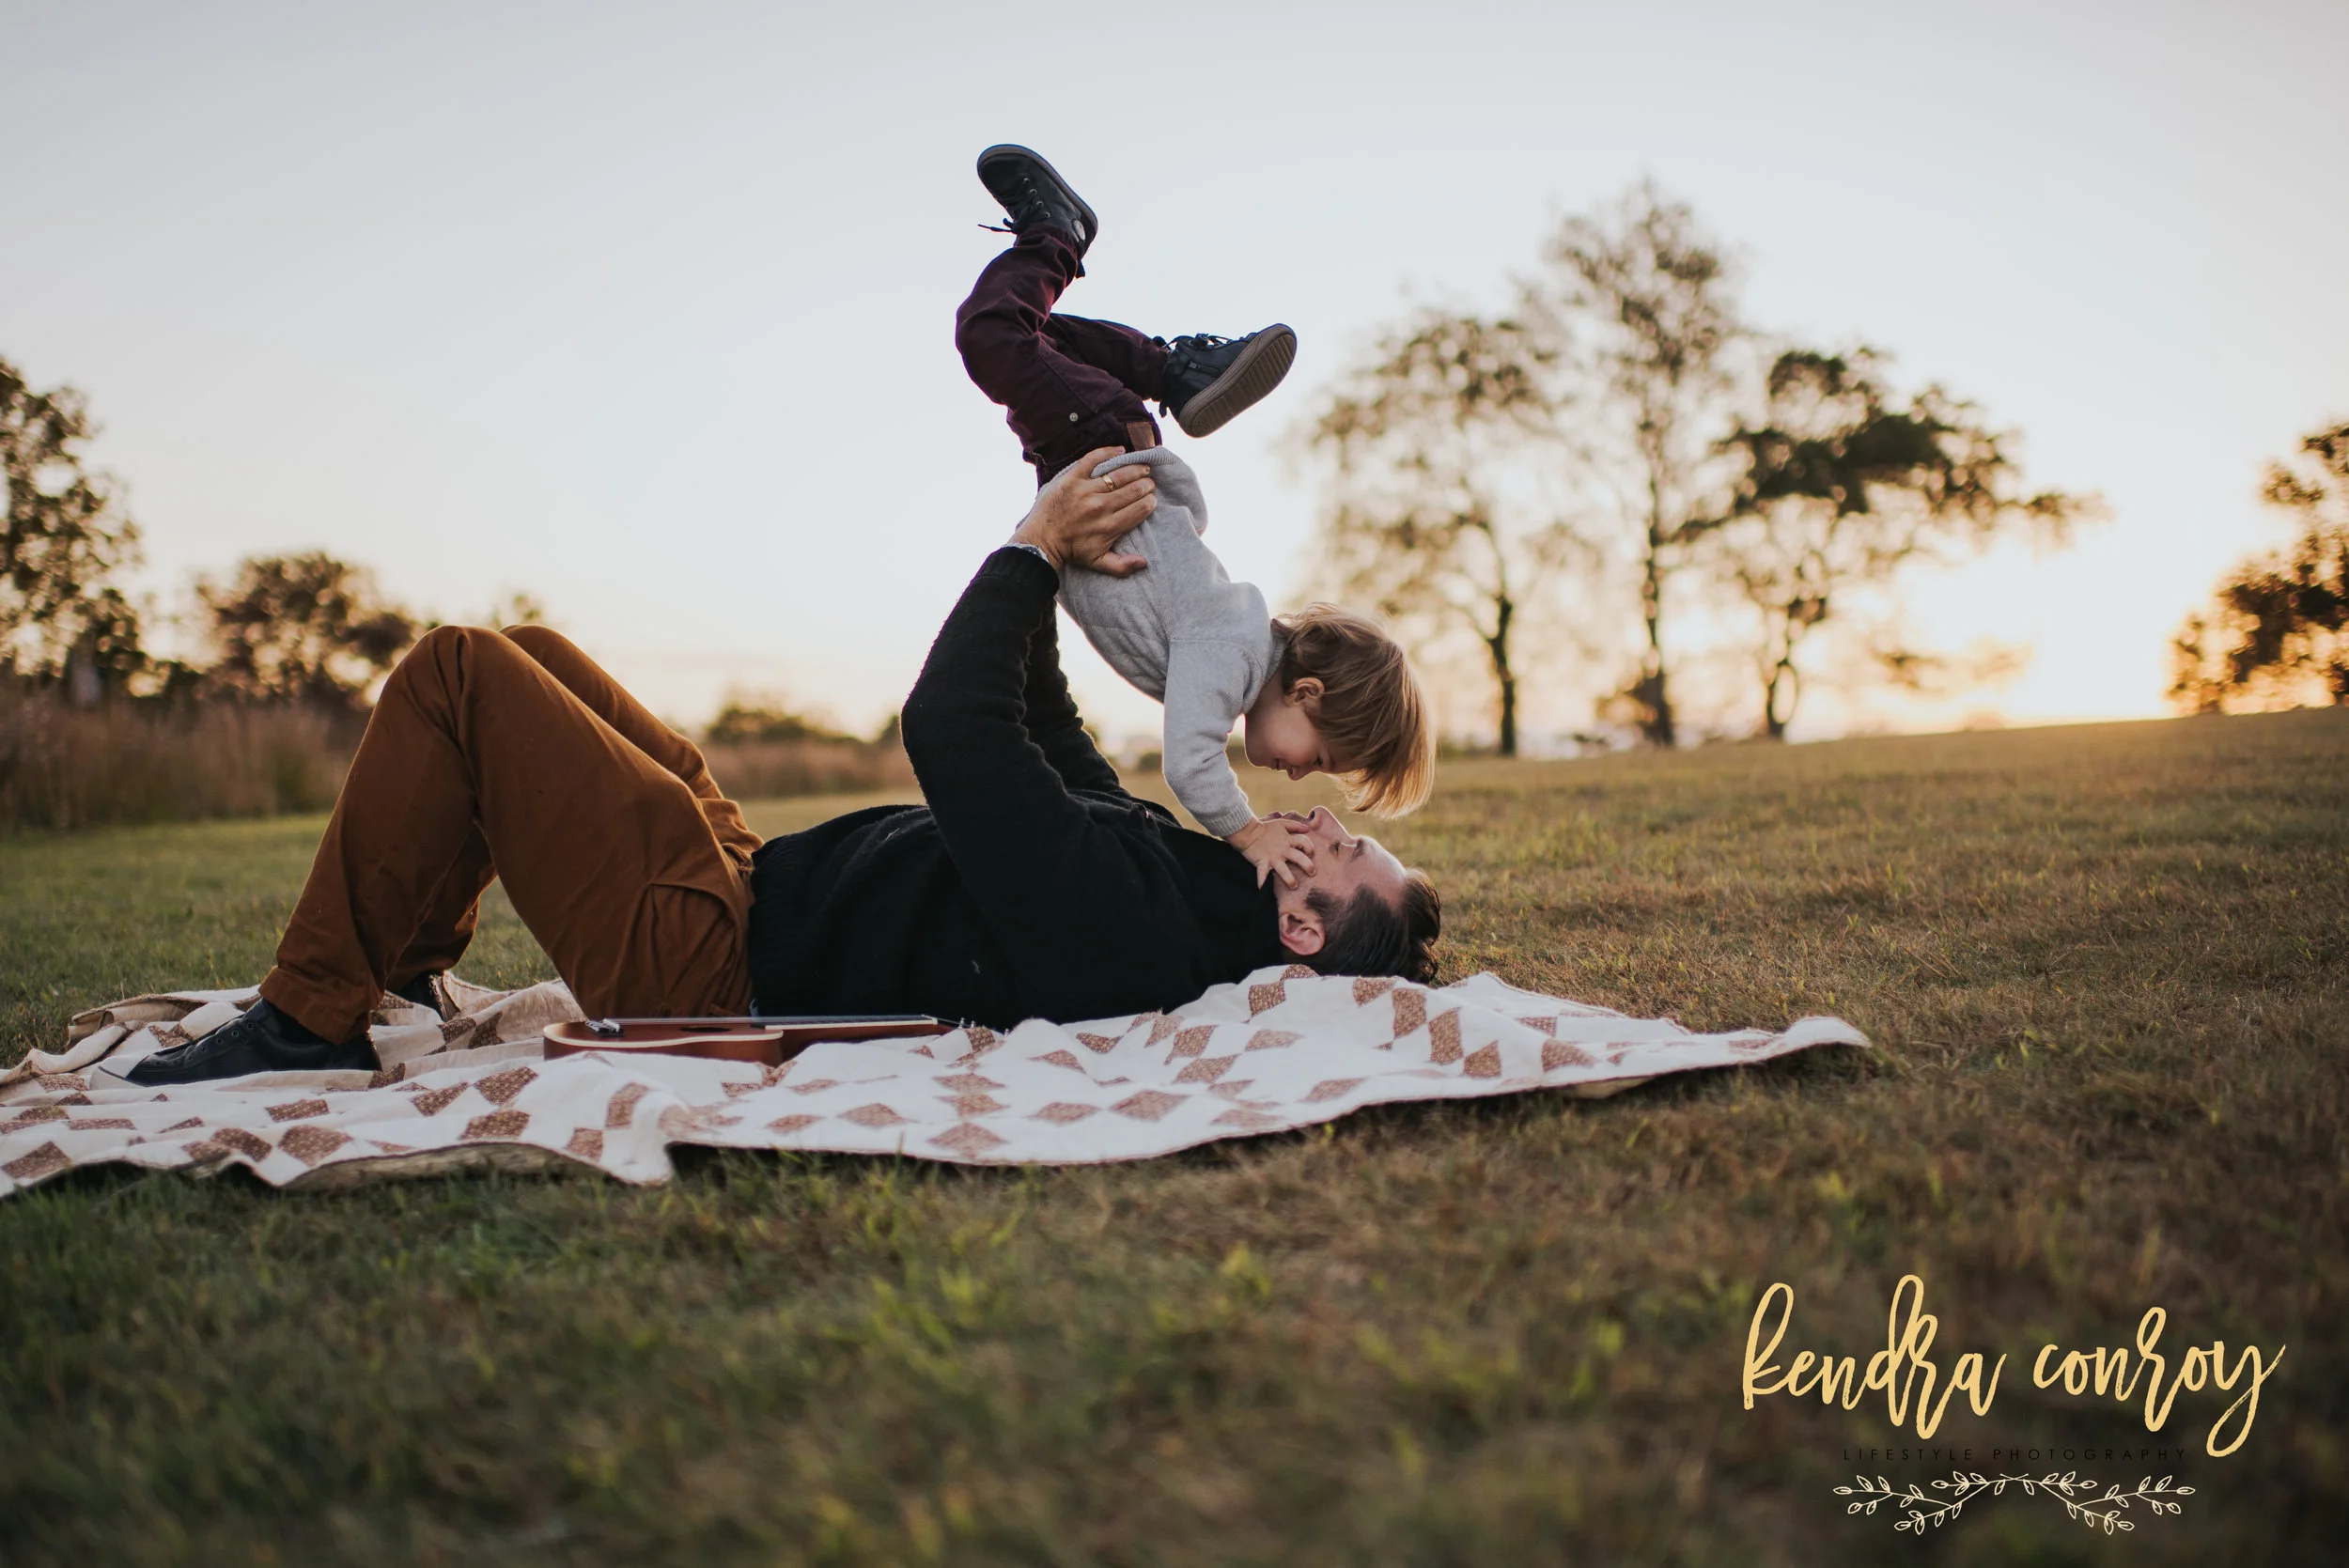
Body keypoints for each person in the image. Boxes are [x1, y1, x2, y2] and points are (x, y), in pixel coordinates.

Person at [124, 460, 1441, 1086]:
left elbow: (953, 729)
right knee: (528, 656)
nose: (1316, 819)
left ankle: (305, 1017)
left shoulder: (1134, 923)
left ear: (1301, 922)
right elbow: (1046, 737)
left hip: (703, 964)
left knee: (461, 675)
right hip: (748, 882)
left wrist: (1029, 551)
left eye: (1336, 851)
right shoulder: (1173, 877)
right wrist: (1079, 555)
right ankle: (397, 952)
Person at [955, 145, 1435, 891]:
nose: (1301, 776)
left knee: (1049, 339)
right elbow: (1188, 762)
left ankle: (1172, 370)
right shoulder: (1233, 655)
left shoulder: (1235, 648)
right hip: (1094, 443)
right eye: (1320, 758)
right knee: (992, 334)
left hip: (1097, 444)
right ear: (1308, 694)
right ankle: (1056, 235)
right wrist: (1244, 831)